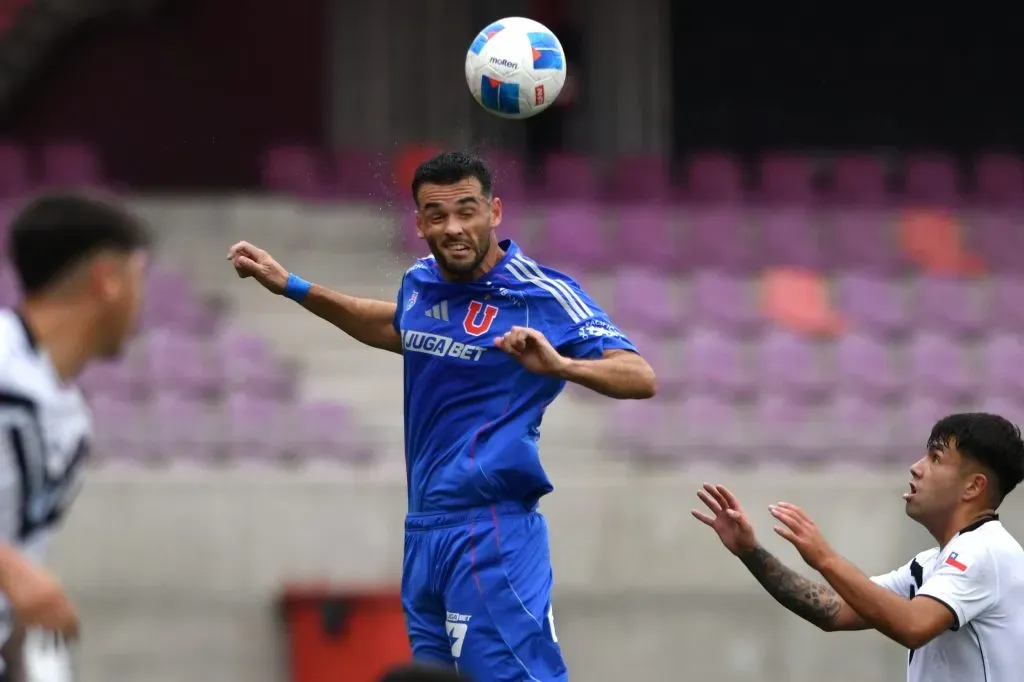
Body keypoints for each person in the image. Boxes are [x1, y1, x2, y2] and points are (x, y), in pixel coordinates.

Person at [228, 150, 656, 681]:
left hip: (491, 531)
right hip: (424, 534)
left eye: (466, 210)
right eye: (437, 214)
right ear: (419, 223)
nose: (453, 227)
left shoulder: (540, 294)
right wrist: (293, 286)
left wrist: (561, 364)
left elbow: (640, 376)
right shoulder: (421, 281)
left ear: (494, 212)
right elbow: (393, 326)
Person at [693, 412, 1024, 682]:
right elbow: (834, 611)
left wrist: (825, 559)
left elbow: (912, 626)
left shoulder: (985, 551)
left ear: (973, 487)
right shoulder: (931, 563)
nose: (916, 467)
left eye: (935, 458)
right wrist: (751, 552)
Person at [0, 193, 151, 680]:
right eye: (138, 276)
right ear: (107, 279)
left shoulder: (65, 414)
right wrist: (9, 568)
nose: (140, 300)